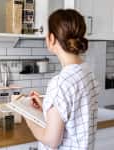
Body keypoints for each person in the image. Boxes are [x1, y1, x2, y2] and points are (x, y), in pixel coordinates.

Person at [26, 9, 99, 150]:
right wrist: (46, 105)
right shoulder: (87, 72)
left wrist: (28, 116)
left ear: (51, 38)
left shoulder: (60, 83)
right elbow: (73, 113)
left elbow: (51, 140)